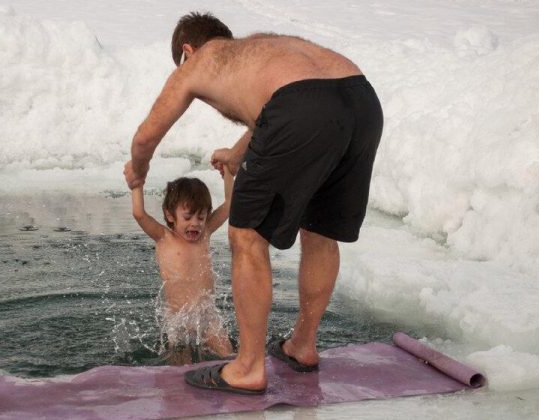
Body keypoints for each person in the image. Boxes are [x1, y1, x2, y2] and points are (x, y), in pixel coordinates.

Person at [123, 12, 383, 394]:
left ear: (187, 50)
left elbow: (145, 138)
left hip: (303, 107)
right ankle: (302, 346)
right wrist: (237, 152)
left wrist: (138, 171)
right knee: (321, 230)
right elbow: (279, 103)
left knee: (246, 236)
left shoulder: (199, 62)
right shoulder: (258, 46)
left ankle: (247, 367)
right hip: (362, 100)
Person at [129, 169, 235, 363]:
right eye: (187, 218)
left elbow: (229, 204)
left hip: (207, 318)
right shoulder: (164, 238)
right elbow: (139, 213)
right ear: (170, 216)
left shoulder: (206, 233)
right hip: (179, 320)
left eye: (201, 217)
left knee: (230, 359)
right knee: (179, 369)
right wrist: (137, 183)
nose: (195, 224)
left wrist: (228, 172)